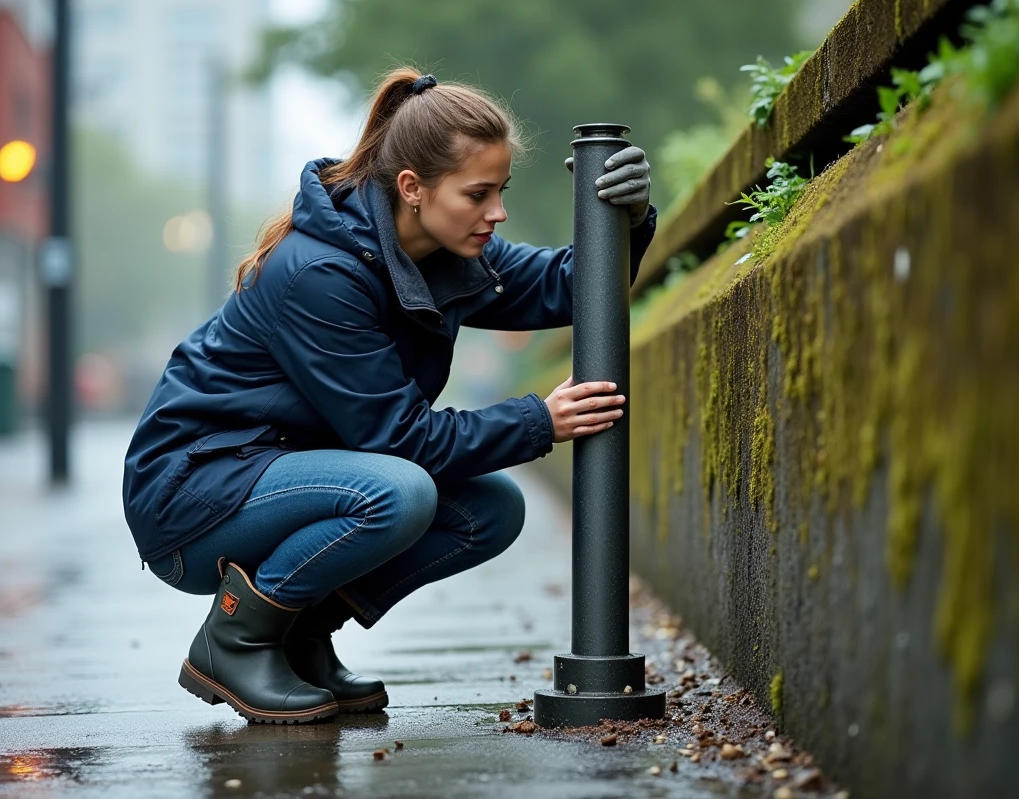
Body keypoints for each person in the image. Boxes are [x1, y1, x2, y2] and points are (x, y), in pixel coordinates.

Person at [122, 67, 656, 724]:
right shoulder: (320, 273)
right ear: (413, 188)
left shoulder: (443, 251)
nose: (498, 212)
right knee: (398, 492)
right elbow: (398, 441)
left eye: (502, 191)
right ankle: (235, 639)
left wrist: (626, 218)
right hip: (194, 495)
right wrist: (538, 419)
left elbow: (566, 286)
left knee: (488, 510)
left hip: (280, 477)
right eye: (479, 193)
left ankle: (300, 637)